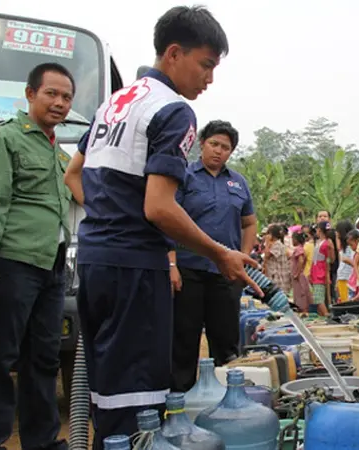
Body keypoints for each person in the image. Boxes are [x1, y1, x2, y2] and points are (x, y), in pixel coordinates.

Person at [64, 7, 264, 445]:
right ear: (174, 53)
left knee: (105, 392)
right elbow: (159, 207)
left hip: (97, 263)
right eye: (206, 65)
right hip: (135, 268)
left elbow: (73, 174)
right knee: (138, 403)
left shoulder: (115, 103)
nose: (209, 79)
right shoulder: (172, 111)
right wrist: (219, 252)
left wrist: (107, 218)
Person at [0, 63, 76, 450]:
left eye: (66, 97)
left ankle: (42, 442)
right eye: (51, 93)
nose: (59, 103)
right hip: (12, 263)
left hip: (51, 266)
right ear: (30, 94)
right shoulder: (6, 138)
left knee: (43, 358)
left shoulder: (60, 154)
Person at [167, 119, 258, 392]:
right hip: (188, 271)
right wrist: (171, 263)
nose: (219, 151)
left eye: (226, 147)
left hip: (226, 274)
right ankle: (179, 406)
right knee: (183, 341)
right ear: (201, 144)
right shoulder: (184, 175)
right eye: (214, 144)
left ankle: (229, 403)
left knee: (227, 342)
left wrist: (243, 256)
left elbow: (250, 222)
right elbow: (168, 220)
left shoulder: (238, 182)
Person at [311, 221, 334, 316]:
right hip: (315, 270)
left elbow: (331, 259)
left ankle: (326, 314)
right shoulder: (318, 242)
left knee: (318, 298)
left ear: (319, 230)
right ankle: (323, 314)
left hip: (321, 272)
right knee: (317, 297)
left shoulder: (327, 243)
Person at [263, 224, 291, 294]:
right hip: (273, 275)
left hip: (278, 278)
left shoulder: (277, 244)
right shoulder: (273, 244)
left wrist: (267, 242)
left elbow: (267, 255)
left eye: (267, 234)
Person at [290, 231, 313, 312]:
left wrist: (297, 273)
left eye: (292, 239)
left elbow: (301, 261)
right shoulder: (301, 248)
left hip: (298, 276)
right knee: (299, 292)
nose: (292, 241)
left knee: (300, 293)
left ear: (296, 240)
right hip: (299, 275)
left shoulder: (298, 249)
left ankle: (303, 310)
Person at [335, 220, 356, 302]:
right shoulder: (343, 249)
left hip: (348, 279)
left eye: (338, 231)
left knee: (348, 301)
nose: (336, 233)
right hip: (341, 278)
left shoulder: (351, 247)